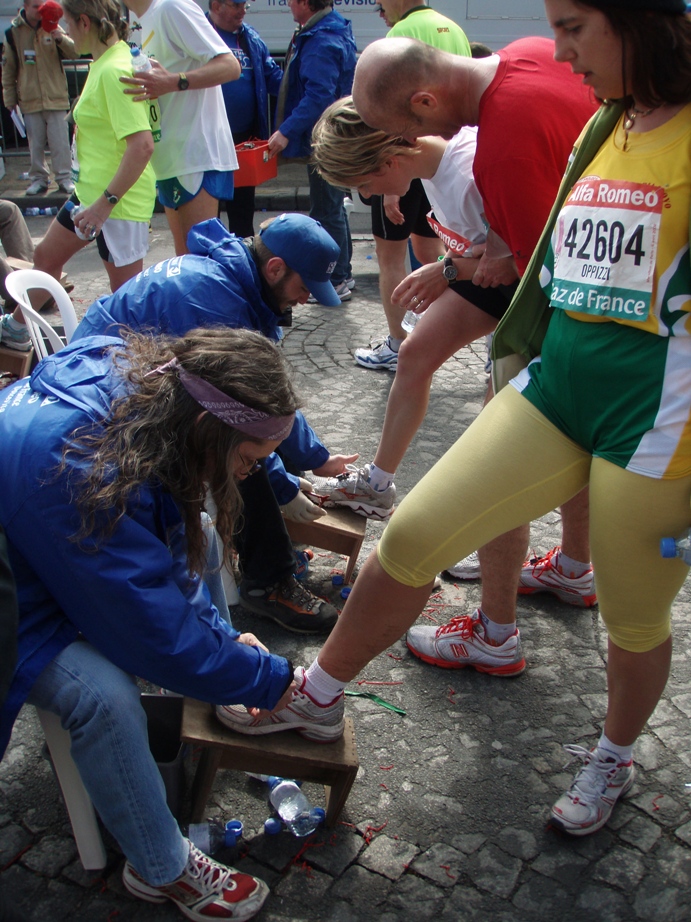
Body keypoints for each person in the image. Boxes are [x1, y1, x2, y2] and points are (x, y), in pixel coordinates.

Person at [220, 0, 691, 839]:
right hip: (557, 390)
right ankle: (316, 700)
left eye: (577, 27)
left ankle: (613, 754)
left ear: (640, 21)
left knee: (631, 617)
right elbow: (546, 250)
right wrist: (477, 266)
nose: (560, 48)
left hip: (656, 428)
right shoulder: (609, 122)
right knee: (411, 537)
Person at [0, 326, 315, 919]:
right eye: (246, 459)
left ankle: (217, 685)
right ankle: (161, 869)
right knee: (105, 698)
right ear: (208, 429)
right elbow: (149, 629)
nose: (249, 474)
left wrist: (223, 649)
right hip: (11, 593)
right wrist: (270, 680)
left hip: (33, 542)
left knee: (208, 552)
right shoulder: (82, 468)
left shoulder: (155, 393)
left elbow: (164, 540)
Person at [350, 35, 601, 615]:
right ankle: (572, 567)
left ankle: (495, 629)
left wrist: (461, 264)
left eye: (405, 133)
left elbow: (536, 264)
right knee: (565, 437)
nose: (412, 147)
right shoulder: (532, 50)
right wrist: (464, 263)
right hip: (592, 297)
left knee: (499, 456)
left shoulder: (497, 154)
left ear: (425, 102)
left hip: (569, 314)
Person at [74, 213, 358, 632]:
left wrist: (315, 458)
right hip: (104, 405)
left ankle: (272, 541)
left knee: (256, 446)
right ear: (275, 268)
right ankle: (269, 582)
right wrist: (281, 484)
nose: (304, 300)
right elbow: (244, 412)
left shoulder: (240, 281)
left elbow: (269, 391)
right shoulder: (215, 302)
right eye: (303, 288)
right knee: (236, 452)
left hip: (137, 382)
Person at [310, 97, 514, 520]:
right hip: (478, 274)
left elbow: (526, 259)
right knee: (414, 354)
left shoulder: (473, 168)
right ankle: (377, 486)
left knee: (501, 412)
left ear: (389, 159)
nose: (366, 194)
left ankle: (496, 532)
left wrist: (448, 271)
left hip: (531, 291)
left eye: (364, 184)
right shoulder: (429, 167)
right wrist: (449, 268)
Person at [0, 0, 156, 353]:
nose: (63, 31)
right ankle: (16, 328)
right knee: (46, 259)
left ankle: (147, 374)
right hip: (91, 195)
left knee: (128, 307)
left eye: (67, 23)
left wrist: (104, 205)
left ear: (85, 22)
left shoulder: (114, 69)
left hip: (116, 204)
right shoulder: (108, 60)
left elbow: (142, 146)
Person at [353, 0, 470, 373]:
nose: (379, 8)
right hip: (439, 153)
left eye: (381, 2)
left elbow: (389, 121)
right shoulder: (452, 27)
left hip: (417, 159)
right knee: (432, 245)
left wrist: (391, 188)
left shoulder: (398, 36)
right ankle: (423, 332)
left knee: (392, 256)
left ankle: (397, 341)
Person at [121, 0, 240, 256]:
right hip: (168, 158)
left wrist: (174, 81)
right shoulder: (134, 19)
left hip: (194, 156)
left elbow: (230, 66)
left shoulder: (172, 8)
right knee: (186, 265)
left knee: (199, 267)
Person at [268, 0, 356, 302]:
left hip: (326, 139)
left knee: (326, 208)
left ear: (305, 2)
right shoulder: (328, 29)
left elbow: (318, 94)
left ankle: (337, 279)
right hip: (332, 135)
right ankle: (343, 272)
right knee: (332, 206)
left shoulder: (321, 38)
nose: (289, 4)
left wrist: (286, 131)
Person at [207, 0, 283, 238]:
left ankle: (242, 266)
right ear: (217, 5)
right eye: (237, 4)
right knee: (208, 216)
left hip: (243, 142)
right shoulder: (200, 32)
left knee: (242, 214)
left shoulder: (250, 37)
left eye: (245, 5)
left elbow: (275, 79)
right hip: (208, 140)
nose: (243, 11)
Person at [1, 0, 79, 196]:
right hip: (30, 97)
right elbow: (9, 69)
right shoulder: (13, 32)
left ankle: (64, 177)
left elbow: (75, 52)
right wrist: (9, 100)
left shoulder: (52, 25)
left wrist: (60, 37)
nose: (41, 10)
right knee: (35, 143)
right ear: (25, 7)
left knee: (60, 141)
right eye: (36, 6)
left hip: (55, 95)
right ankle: (38, 179)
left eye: (42, 5)